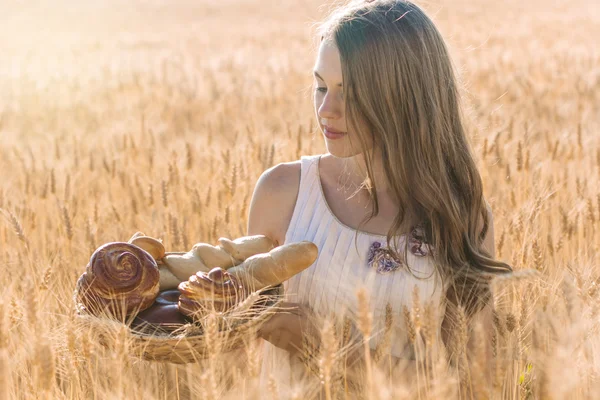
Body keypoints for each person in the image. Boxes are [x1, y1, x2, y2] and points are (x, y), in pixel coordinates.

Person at [246, 0, 512, 395]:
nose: (325, 109)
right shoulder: (283, 194)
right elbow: (232, 343)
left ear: (404, 97)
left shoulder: (461, 217)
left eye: (350, 93)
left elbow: (474, 382)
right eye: (321, 86)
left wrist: (320, 342)